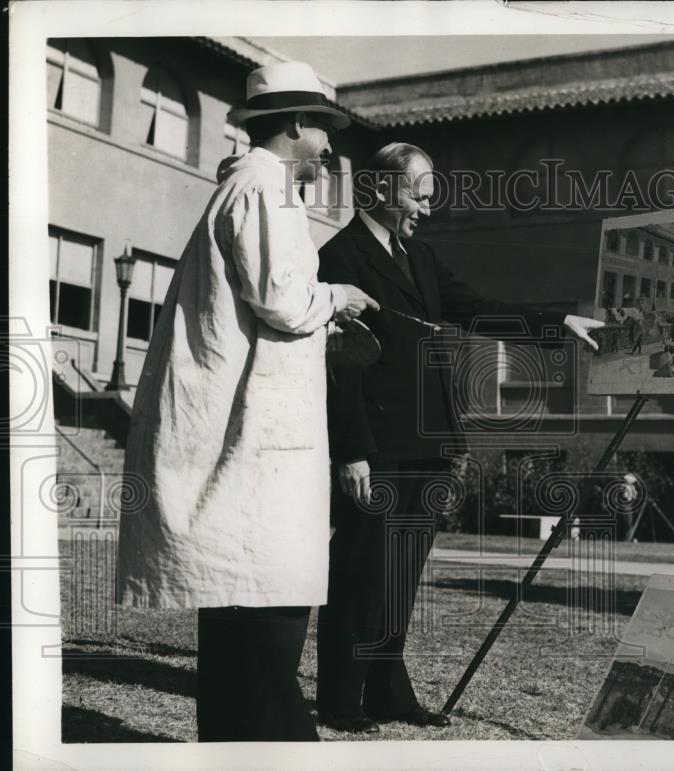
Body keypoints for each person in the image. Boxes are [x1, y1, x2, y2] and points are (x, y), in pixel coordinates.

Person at [116, 62, 378, 742]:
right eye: (324, 129)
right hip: (258, 453)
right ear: (296, 125)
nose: (329, 146)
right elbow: (285, 301)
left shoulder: (251, 187)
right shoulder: (267, 189)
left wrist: (322, 314)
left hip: (256, 441)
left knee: (241, 638)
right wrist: (338, 298)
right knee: (265, 626)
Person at [315, 142, 603, 733]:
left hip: (429, 444)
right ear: (383, 189)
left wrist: (558, 322)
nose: (425, 208)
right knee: (360, 571)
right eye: (419, 195)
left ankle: (389, 693)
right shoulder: (337, 257)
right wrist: (350, 449)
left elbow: (478, 309)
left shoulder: (420, 258)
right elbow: (338, 362)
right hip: (376, 448)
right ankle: (341, 700)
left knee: (401, 575)